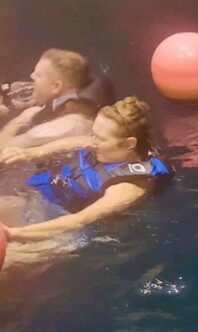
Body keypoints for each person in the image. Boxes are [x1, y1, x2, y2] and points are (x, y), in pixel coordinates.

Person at [1, 96, 170, 245]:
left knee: (10, 260)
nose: (91, 142)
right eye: (93, 134)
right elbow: (78, 141)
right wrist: (33, 152)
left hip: (72, 232)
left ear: (129, 144)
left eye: (101, 139)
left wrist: (15, 234)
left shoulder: (127, 188)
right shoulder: (106, 146)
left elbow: (80, 221)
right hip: (47, 200)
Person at [0, 49, 101, 150]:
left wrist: (18, 121)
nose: (32, 76)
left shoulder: (61, 127)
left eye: (38, 74)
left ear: (56, 86)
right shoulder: (55, 105)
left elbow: (2, 148)